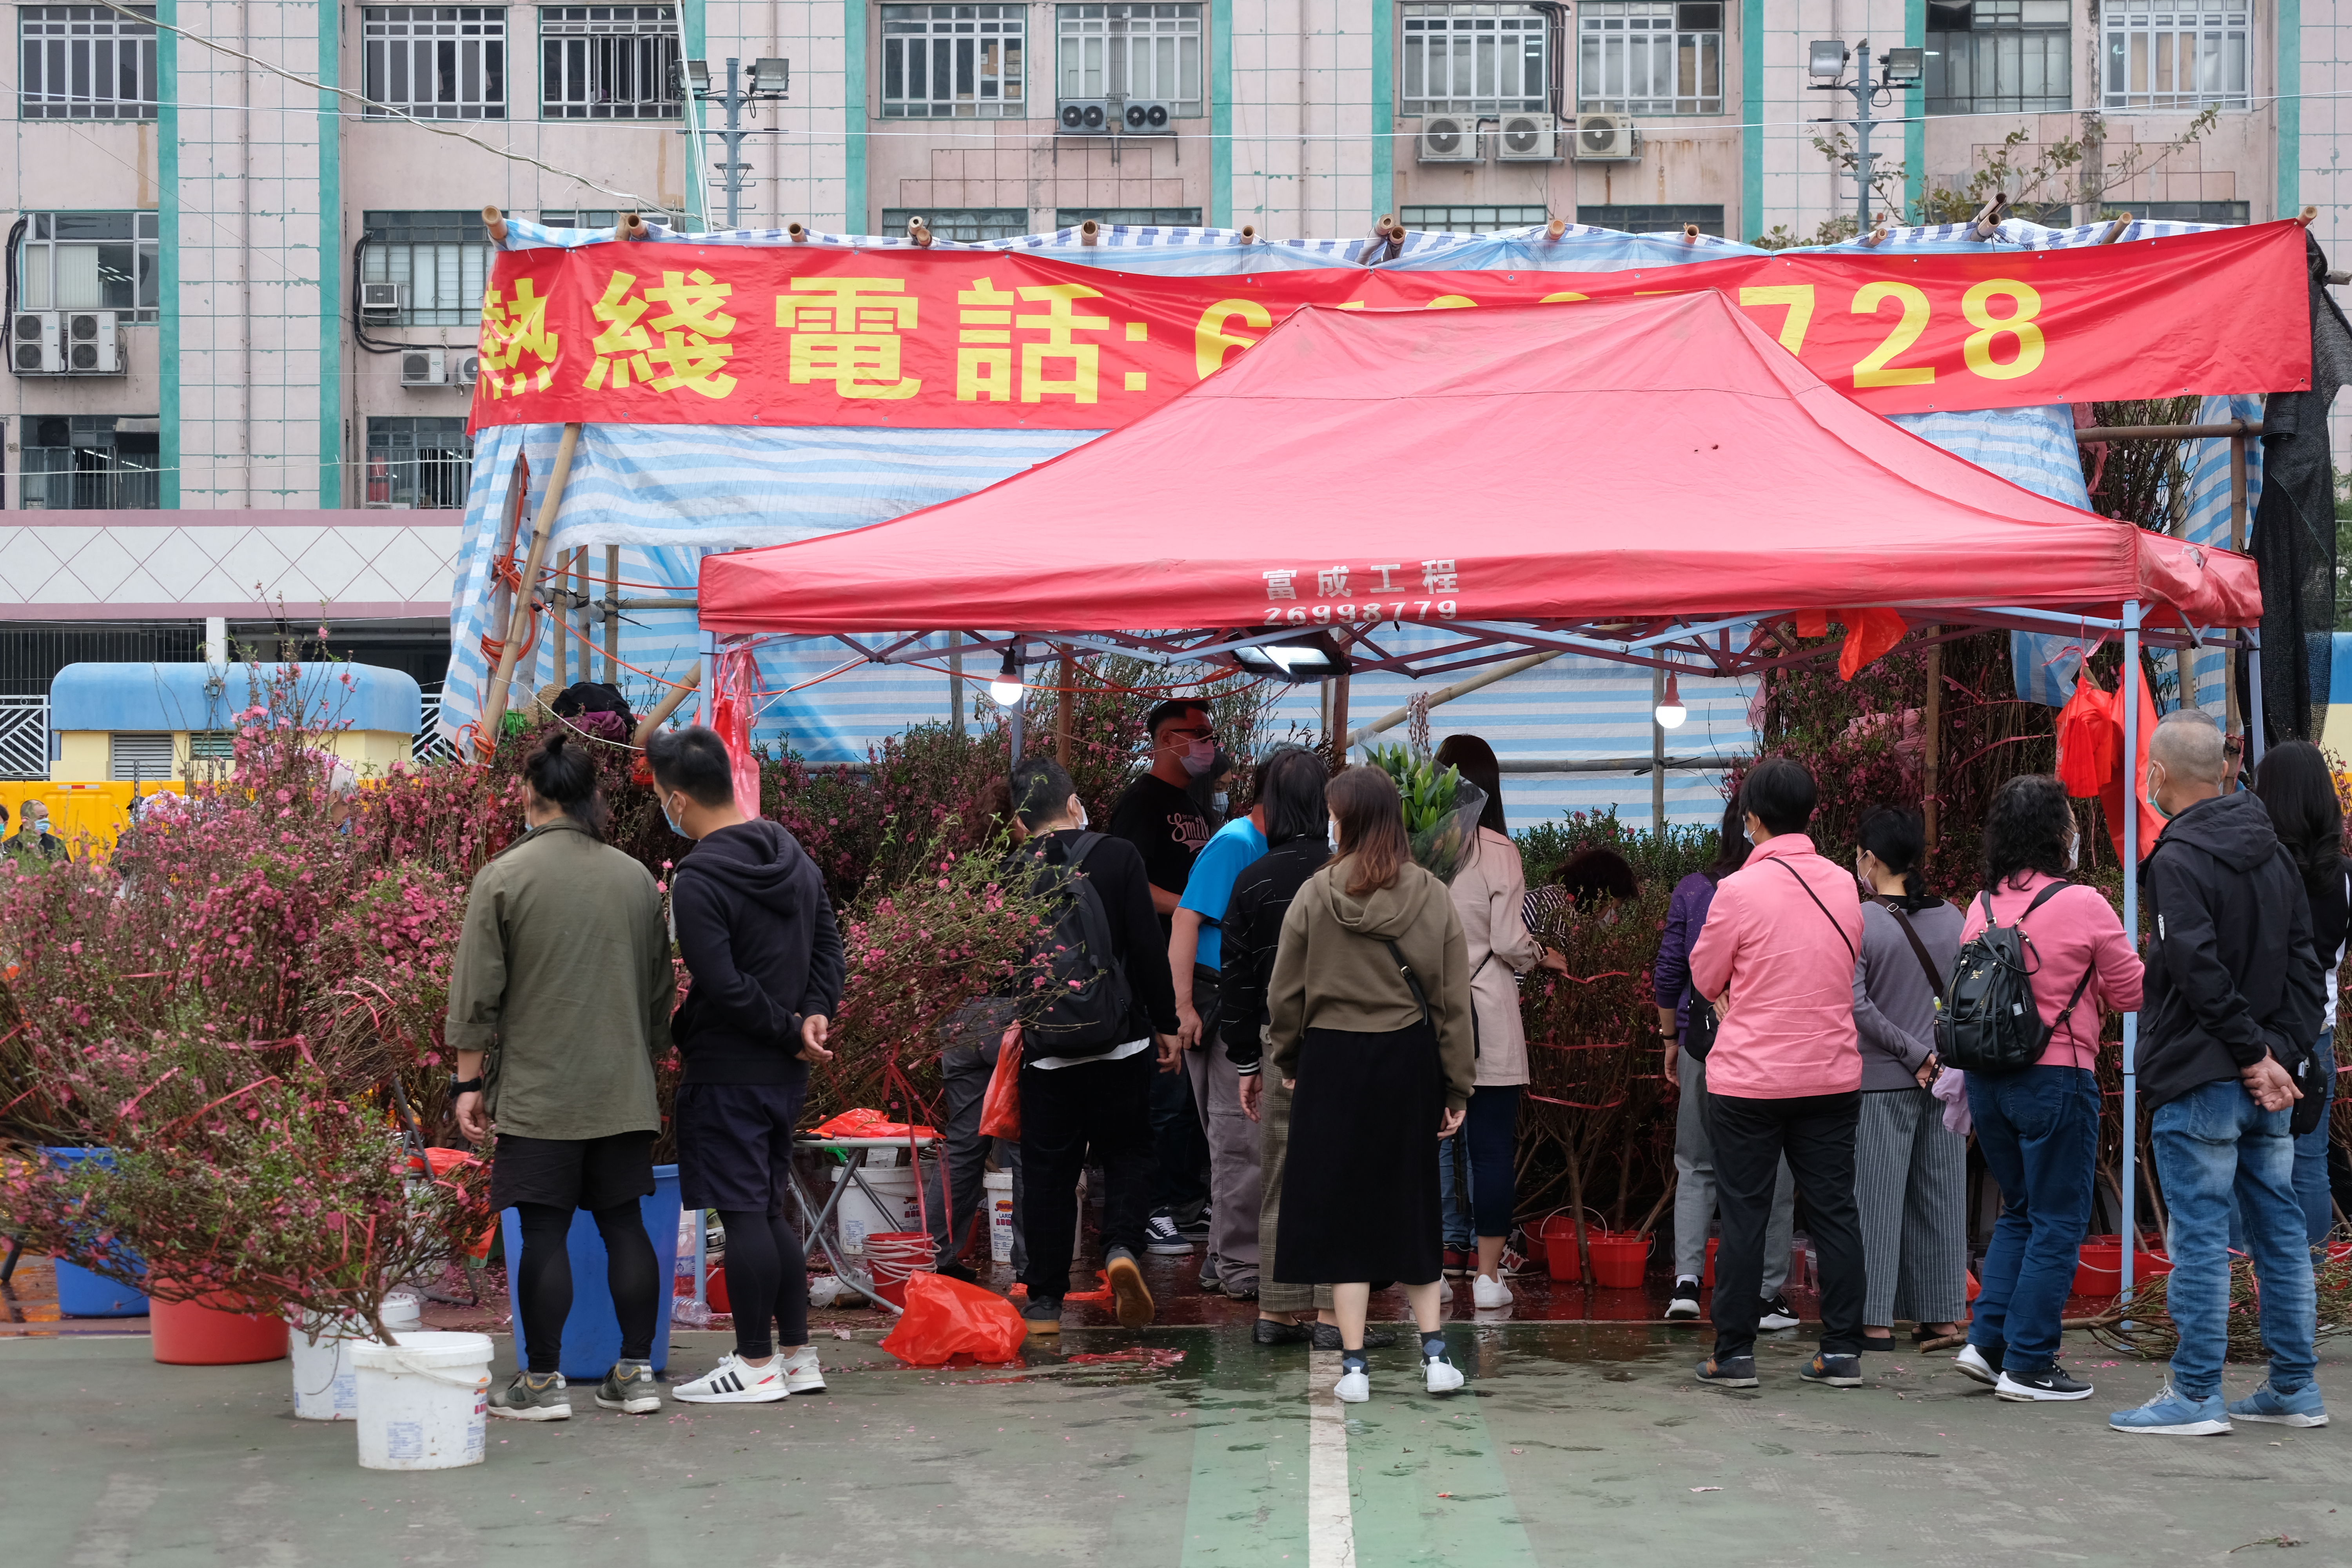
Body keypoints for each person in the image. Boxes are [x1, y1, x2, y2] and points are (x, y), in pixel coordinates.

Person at [448, 733, 674, 1421]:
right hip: (622, 1086)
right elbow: (659, 993)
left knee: (543, 1231)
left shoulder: (503, 877)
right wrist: (644, 1059)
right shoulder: (635, 878)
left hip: (540, 1091)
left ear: (529, 794)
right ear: (590, 797)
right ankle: (636, 1374)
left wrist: (467, 1083)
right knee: (625, 1224)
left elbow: (476, 992)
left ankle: (542, 1384)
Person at [2111, 714, 2327, 1436]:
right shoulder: (2275, 856)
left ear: (2158, 775)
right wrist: (2278, 1054)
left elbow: (2195, 969)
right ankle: (2294, 1386)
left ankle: (2198, 1392)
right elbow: (2308, 968)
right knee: (2280, 1229)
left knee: (2201, 1236)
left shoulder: (2176, 859)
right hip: (2265, 1079)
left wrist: (2254, 1055)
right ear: (2227, 772)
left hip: (2203, 1075)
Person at [646, 725, 846, 1406]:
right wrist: (813, 1015)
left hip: (729, 1067)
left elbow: (722, 983)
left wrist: (791, 1030)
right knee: (766, 1210)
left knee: (744, 1216)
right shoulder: (793, 854)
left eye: (661, 798)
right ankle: (797, 1356)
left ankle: (755, 1361)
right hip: (784, 1072)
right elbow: (829, 947)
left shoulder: (699, 877)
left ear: (678, 800)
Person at [1270, 766, 1475, 1404]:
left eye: (1334, 815)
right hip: (1406, 1060)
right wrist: (1457, 1088)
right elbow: (1451, 1002)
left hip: (1331, 1060)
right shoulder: (1431, 894)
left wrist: (1289, 1057)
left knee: (1343, 1211)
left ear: (1349, 821)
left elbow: (1285, 992)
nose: (1329, 824)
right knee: (1412, 1203)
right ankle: (1435, 1357)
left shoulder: (1315, 893)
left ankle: (1354, 1368)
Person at [1954, 774, 2142, 1404]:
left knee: (2020, 1211)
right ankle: (2030, 1363)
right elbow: (2132, 992)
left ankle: (1987, 1345)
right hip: (2056, 1077)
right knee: (2059, 1220)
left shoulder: (1980, 908)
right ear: (2058, 833)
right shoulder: (2084, 903)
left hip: (1988, 1081)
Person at [1686, 758, 1868, 1390]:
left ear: (1753, 819)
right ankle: (1841, 1351)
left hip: (1750, 1081)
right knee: (1835, 1212)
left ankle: (1734, 1354)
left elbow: (1705, 977)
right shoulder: (1844, 884)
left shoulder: (1737, 890)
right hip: (1831, 1074)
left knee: (1745, 1215)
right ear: (1810, 814)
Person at [1010, 757, 1182, 1335]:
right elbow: (1147, 947)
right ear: (1073, 802)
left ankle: (1044, 1303)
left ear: (1020, 820)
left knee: (1049, 1172)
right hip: (1120, 1042)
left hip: (1047, 1049)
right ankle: (1122, 1249)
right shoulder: (1117, 855)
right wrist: (1166, 1022)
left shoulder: (1009, 872)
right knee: (1129, 1151)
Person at [1217, 745, 1365, 1348]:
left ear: (1272, 807)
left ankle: (1276, 1313)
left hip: (1276, 1042)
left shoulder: (1252, 880)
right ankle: (1332, 1316)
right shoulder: (1349, 876)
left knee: (1279, 1172)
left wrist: (1245, 1062)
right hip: (1344, 1043)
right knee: (1340, 1176)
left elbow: (1235, 981)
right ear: (1325, 807)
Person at [1430, 735, 1567, 1310]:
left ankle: (1431, 1271)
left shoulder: (1416, 845)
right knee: (1489, 1150)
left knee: (1427, 1146)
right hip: (1486, 1012)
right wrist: (1541, 955)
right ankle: (1487, 1279)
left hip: (1424, 1015)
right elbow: (1510, 940)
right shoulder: (1498, 849)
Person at [1653, 797, 1800, 1327]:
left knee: (1696, 1164)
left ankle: (1687, 1284)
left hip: (1704, 1042)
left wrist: (1671, 1038)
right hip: (1772, 1049)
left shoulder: (1697, 889)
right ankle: (1765, 1293)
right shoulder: (1793, 890)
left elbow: (1671, 970)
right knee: (1775, 1168)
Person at [1847, 807, 1968, 1351]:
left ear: (1870, 860)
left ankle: (1874, 1321)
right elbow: (1965, 998)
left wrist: (1911, 1054)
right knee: (1941, 1198)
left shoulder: (1862, 921)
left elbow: (1856, 1006)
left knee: (1875, 1201)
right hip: (1947, 1079)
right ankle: (1941, 1316)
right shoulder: (1954, 917)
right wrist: (1935, 1057)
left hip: (1882, 1081)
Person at [1107, 697, 1217, 1254]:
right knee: (1165, 1091)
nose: (1208, 744)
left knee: (1191, 1098)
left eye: (1210, 734)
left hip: (1198, 969)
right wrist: (1190, 909)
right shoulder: (1141, 803)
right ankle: (1154, 1208)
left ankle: (1187, 1200)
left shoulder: (1196, 805)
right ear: (1167, 740)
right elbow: (1128, 882)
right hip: (1153, 969)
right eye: (1197, 734)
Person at [1171, 754, 1270, 1296]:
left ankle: (1223, 1256)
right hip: (1216, 1005)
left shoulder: (1259, 843)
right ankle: (1237, 1262)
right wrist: (1183, 1006)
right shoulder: (1236, 843)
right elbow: (1186, 918)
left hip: (1232, 1004)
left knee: (1236, 1138)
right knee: (1236, 1139)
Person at [923, 775, 1028, 1282]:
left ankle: (936, 1256)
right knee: (1025, 1146)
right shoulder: (1034, 873)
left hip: (962, 1017)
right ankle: (1031, 1264)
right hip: (1012, 1017)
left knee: (964, 1145)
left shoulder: (964, 875)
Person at [2246, 739, 2349, 1245]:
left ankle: (2244, 1280)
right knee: (2309, 1161)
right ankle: (2308, 1279)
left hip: (2255, 1034)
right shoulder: (2344, 877)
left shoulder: (2257, 868)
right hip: (2316, 1031)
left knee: (2244, 1158)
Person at [4, 799, 65, 864]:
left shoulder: (57, 844)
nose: (46, 821)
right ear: (26, 821)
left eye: (46, 816)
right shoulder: (9, 847)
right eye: (41, 818)